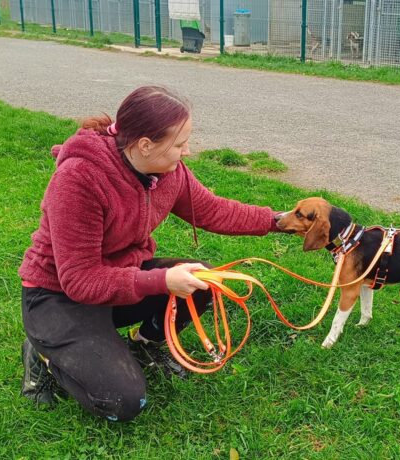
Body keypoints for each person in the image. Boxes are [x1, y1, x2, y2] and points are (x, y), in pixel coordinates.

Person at [18, 85, 284, 422]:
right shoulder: (79, 179)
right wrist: (161, 280)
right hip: (57, 296)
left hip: (117, 281)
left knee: (206, 281)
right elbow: (80, 280)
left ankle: (145, 343)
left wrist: (282, 222)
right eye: (179, 144)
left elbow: (213, 210)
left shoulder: (167, 172)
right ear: (145, 145)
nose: (187, 151)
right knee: (123, 402)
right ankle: (44, 353)